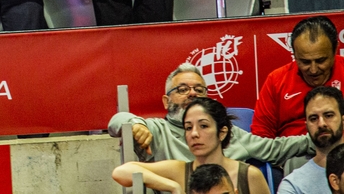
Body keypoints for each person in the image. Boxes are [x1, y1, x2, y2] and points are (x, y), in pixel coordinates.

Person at [108, 63, 312, 164]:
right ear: (165, 101)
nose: (192, 94)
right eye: (182, 89)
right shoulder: (157, 130)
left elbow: (275, 148)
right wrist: (135, 124)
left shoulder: (227, 132)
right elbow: (117, 120)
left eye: (199, 89)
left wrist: (319, 138)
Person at [113, 98, 272, 194]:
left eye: (203, 126)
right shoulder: (179, 170)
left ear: (222, 132)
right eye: (188, 128)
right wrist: (173, 186)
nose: (194, 134)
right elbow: (122, 172)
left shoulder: (249, 175)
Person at [253, 16, 344, 138]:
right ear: (294, 55)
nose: (313, 70)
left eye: (321, 60)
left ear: (335, 50)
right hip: (291, 153)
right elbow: (261, 136)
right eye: (305, 62)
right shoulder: (276, 80)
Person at [277, 86, 344, 194]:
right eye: (313, 118)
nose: (321, 123)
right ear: (306, 126)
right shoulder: (293, 186)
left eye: (328, 115)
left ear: (342, 120)